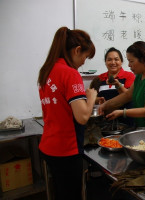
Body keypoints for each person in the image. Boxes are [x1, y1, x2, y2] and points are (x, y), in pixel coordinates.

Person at [37, 27, 97, 200]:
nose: (84, 62)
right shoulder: (70, 73)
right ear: (77, 50)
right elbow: (83, 117)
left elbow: (62, 106)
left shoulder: (46, 71)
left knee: (60, 192)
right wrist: (91, 97)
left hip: (49, 146)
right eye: (85, 57)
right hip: (66, 150)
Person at [98, 41, 145, 132]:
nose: (129, 65)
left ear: (143, 60)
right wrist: (105, 105)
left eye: (131, 61)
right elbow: (127, 95)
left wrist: (123, 112)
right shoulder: (140, 75)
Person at [90, 47, 135, 125]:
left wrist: (118, 85)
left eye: (116, 59)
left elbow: (129, 96)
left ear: (121, 62)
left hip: (125, 119)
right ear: (105, 62)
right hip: (104, 122)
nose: (113, 62)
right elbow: (90, 98)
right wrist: (98, 100)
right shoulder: (99, 79)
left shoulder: (129, 76)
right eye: (109, 59)